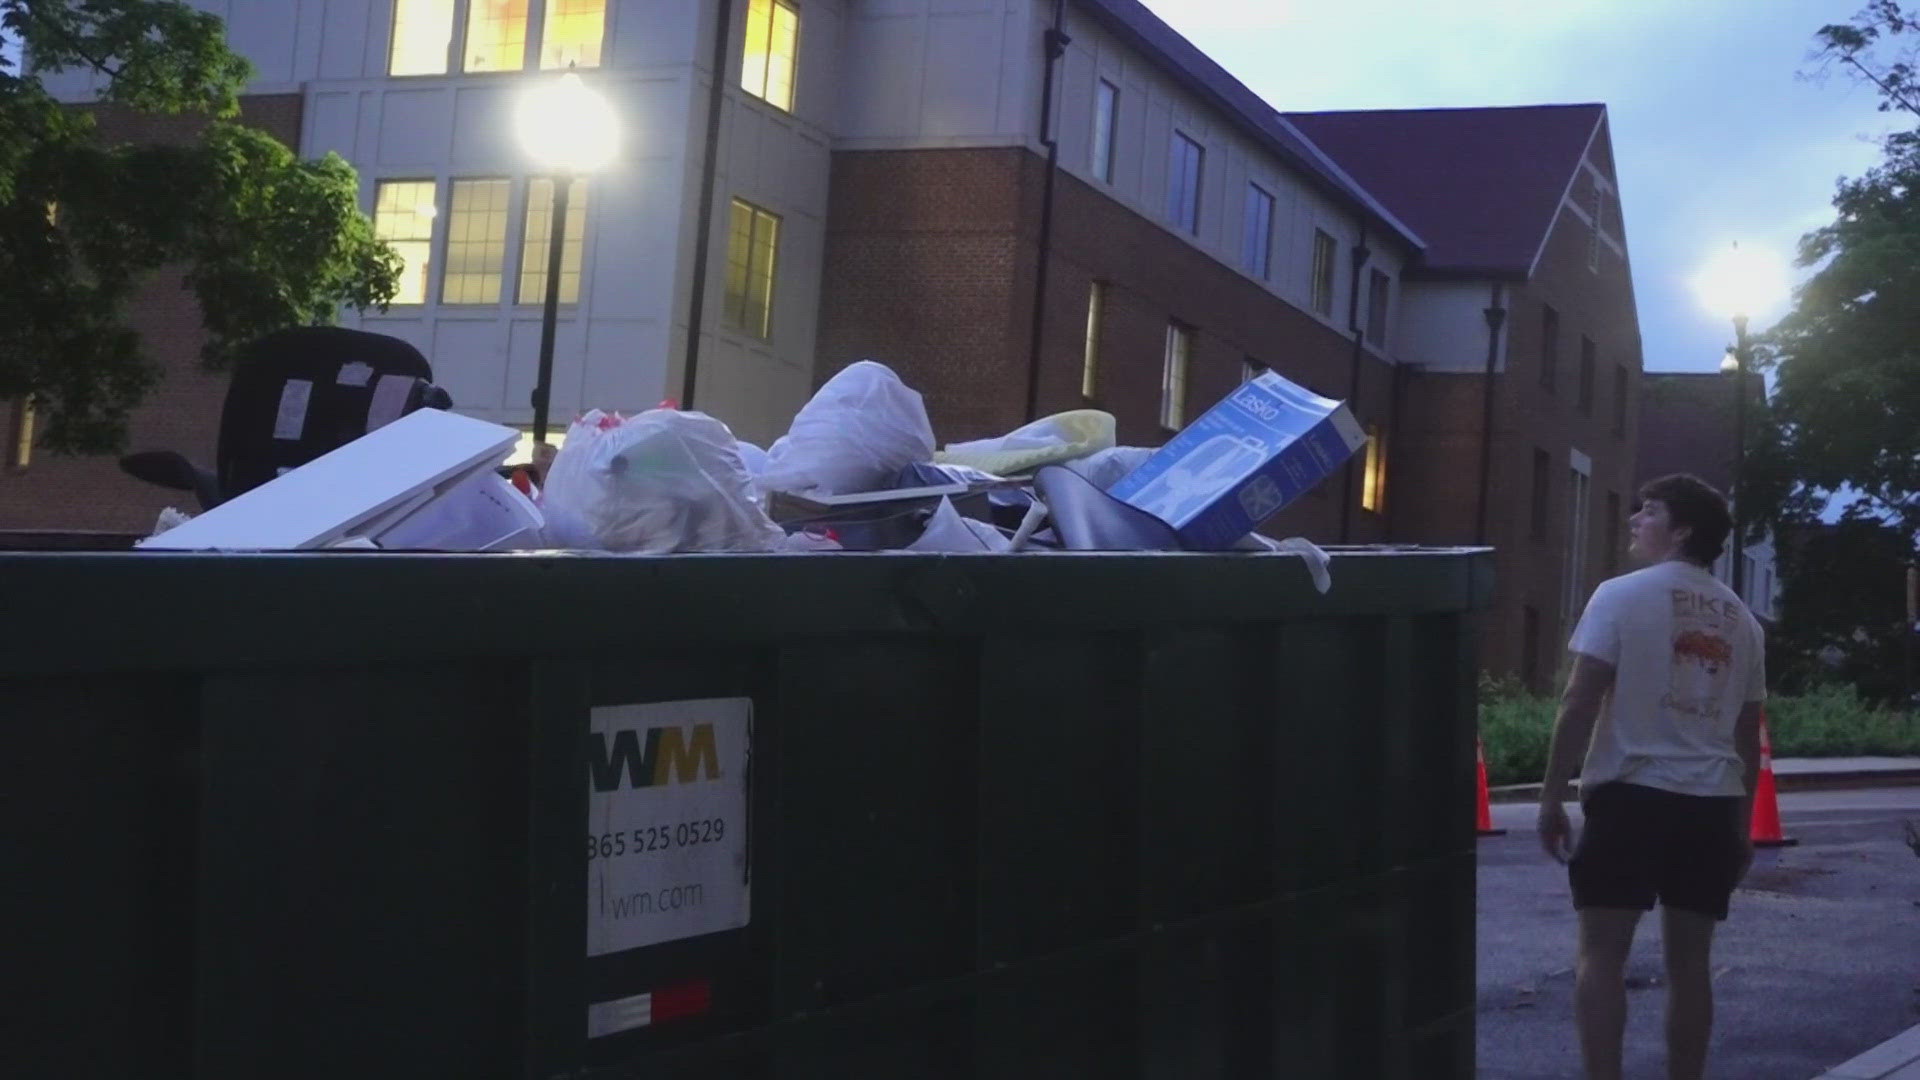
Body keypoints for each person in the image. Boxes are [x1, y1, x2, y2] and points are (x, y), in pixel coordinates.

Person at [1537, 473, 1766, 1080]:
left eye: (1649, 511)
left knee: (1602, 954)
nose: (1635, 519)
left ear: (1681, 529)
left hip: (1631, 798)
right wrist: (1742, 827)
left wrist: (1552, 796)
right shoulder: (1742, 621)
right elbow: (1748, 734)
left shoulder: (1620, 595)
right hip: (1712, 804)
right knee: (1691, 965)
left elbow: (1579, 701)